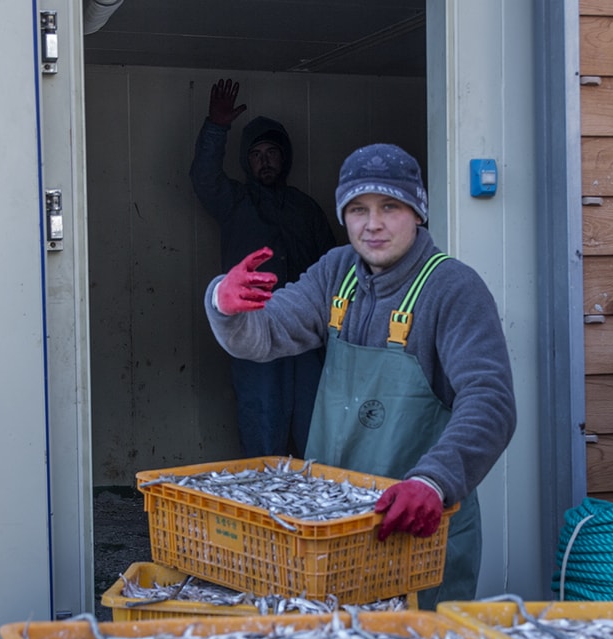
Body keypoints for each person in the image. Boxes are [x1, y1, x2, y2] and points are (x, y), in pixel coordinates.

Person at [202, 143, 517, 609]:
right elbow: (266, 334)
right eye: (357, 209)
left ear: (418, 211)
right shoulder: (336, 274)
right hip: (331, 531)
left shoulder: (454, 288)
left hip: (415, 529)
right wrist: (224, 305)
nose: (373, 224)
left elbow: (490, 401)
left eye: (390, 206)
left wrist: (434, 480)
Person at [190, 78, 337, 458]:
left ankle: (316, 512)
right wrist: (216, 128)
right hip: (255, 331)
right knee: (262, 423)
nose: (266, 160)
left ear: (285, 157)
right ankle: (260, 513)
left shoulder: (306, 209)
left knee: (315, 426)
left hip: (307, 332)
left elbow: (336, 272)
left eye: (273, 152)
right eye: (257, 154)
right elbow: (204, 180)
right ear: (246, 162)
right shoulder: (235, 202)